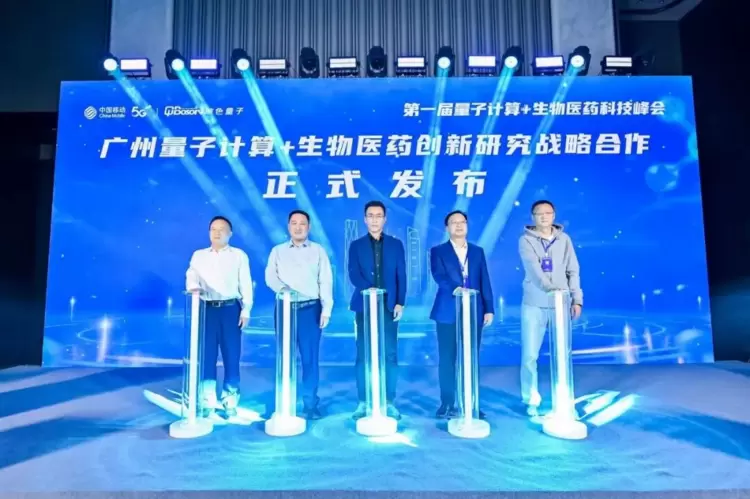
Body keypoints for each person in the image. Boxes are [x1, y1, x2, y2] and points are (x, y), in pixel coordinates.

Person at [265, 209, 333, 420]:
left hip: (310, 310)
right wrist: (284, 290)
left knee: (310, 359)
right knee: (285, 357)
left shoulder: (318, 250)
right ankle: (284, 404)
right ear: (288, 227)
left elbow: (325, 280)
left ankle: (310, 405)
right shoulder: (277, 251)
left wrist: (326, 309)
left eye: (302, 223)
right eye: (294, 223)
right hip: (285, 309)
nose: (298, 227)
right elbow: (270, 277)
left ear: (308, 227)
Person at [518, 200, 583, 417]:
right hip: (534, 304)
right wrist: (552, 289)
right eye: (540, 213)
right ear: (533, 217)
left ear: (554, 215)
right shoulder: (525, 240)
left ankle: (564, 402)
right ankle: (531, 400)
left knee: (563, 354)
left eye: (548, 213)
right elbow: (534, 270)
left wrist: (576, 299)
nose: (544, 217)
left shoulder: (564, 239)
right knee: (530, 355)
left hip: (560, 305)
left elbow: (573, 270)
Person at [185, 216, 253, 417]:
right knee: (207, 356)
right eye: (213, 229)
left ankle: (230, 400)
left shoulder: (238, 255)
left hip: (231, 309)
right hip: (206, 309)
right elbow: (191, 275)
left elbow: (245, 283)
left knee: (232, 355)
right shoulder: (199, 255)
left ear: (229, 233)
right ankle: (207, 400)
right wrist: (193, 288)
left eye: (221, 229)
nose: (217, 232)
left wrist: (246, 310)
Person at [429, 210, 494, 419]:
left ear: (467, 225)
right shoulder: (438, 251)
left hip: (474, 311)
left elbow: (484, 279)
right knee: (447, 359)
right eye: (453, 222)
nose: (458, 225)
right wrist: (456, 288)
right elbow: (439, 276)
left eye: (462, 222)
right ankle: (447, 403)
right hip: (447, 311)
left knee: (470, 357)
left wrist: (489, 308)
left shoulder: (477, 252)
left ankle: (471, 402)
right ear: (447, 227)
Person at [347, 200, 406, 420]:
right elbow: (353, 273)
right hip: (364, 305)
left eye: (378, 215)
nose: (374, 219)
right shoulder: (356, 245)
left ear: (385, 219)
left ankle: (389, 401)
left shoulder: (396, 244)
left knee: (390, 353)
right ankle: (363, 401)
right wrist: (368, 289)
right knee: (363, 353)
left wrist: (400, 302)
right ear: (365, 219)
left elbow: (401, 275)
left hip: (389, 306)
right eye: (370, 216)